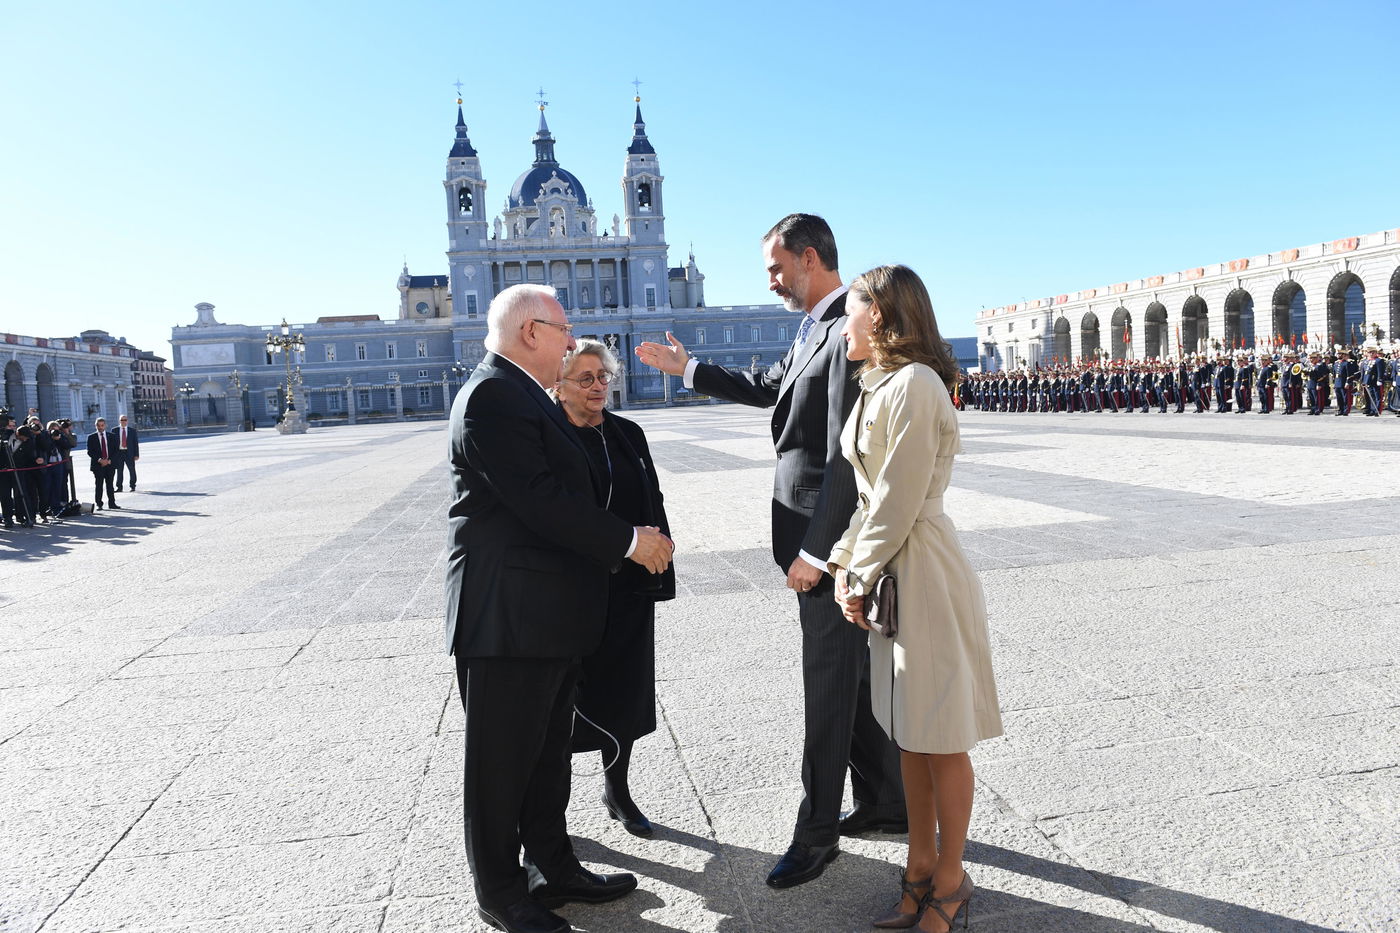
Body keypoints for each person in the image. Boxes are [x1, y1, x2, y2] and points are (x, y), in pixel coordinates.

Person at [635, 213, 905, 890]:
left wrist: (817, 550)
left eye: (776, 268)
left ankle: (816, 834)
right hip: (817, 538)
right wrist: (688, 368)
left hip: (828, 544)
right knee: (853, 678)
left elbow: (845, 455)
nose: (772, 281)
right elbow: (770, 389)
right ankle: (887, 800)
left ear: (810, 258)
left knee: (828, 684)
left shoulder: (847, 328)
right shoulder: (815, 326)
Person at [445, 284, 673, 933]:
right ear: (530, 332)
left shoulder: (520, 395)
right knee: (501, 764)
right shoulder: (493, 396)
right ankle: (500, 891)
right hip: (507, 617)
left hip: (542, 614)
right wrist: (629, 541)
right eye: (563, 329)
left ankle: (554, 864)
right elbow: (541, 498)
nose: (571, 340)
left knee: (544, 755)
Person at [829, 265, 1001, 933]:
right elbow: (870, 500)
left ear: (878, 313)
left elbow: (899, 499)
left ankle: (951, 879)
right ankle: (920, 864)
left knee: (941, 734)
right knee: (911, 733)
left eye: (850, 311)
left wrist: (858, 573)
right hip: (894, 568)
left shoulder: (917, 385)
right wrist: (847, 563)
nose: (842, 326)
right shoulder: (880, 385)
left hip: (922, 568)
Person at [553, 338, 674, 838]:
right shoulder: (551, 435)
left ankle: (617, 789)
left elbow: (651, 496)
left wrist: (661, 556)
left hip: (628, 586)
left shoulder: (628, 432)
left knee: (625, 692)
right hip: (570, 590)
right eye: (585, 378)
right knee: (562, 699)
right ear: (558, 386)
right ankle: (549, 809)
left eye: (603, 376)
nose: (598, 386)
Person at [86, 418, 119, 510]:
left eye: (102, 425)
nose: (100, 427)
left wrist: (109, 460)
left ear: (105, 425)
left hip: (110, 464)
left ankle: (112, 503)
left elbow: (116, 450)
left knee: (110, 485)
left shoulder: (112, 436)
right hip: (98, 465)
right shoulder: (91, 437)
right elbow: (90, 451)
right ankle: (99, 504)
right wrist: (100, 460)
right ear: (95, 426)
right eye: (98, 425)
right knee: (99, 485)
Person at [113, 414, 140, 491]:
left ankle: (132, 486)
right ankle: (119, 487)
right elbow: (111, 444)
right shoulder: (114, 430)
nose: (123, 421)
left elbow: (135, 443)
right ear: (119, 421)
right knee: (119, 470)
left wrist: (136, 455)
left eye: (125, 420)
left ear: (127, 421)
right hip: (119, 453)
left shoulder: (132, 431)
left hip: (129, 453)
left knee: (132, 470)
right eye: (122, 420)